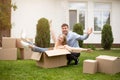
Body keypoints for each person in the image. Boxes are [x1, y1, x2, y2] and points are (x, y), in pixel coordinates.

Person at [20, 21, 92, 55]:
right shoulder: (61, 37)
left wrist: (87, 35)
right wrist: (50, 27)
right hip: (58, 49)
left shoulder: (73, 35)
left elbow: (82, 39)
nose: (64, 29)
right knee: (43, 49)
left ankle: (28, 44)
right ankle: (26, 39)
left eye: (65, 28)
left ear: (68, 28)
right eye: (63, 28)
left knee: (42, 49)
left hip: (72, 52)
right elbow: (54, 37)